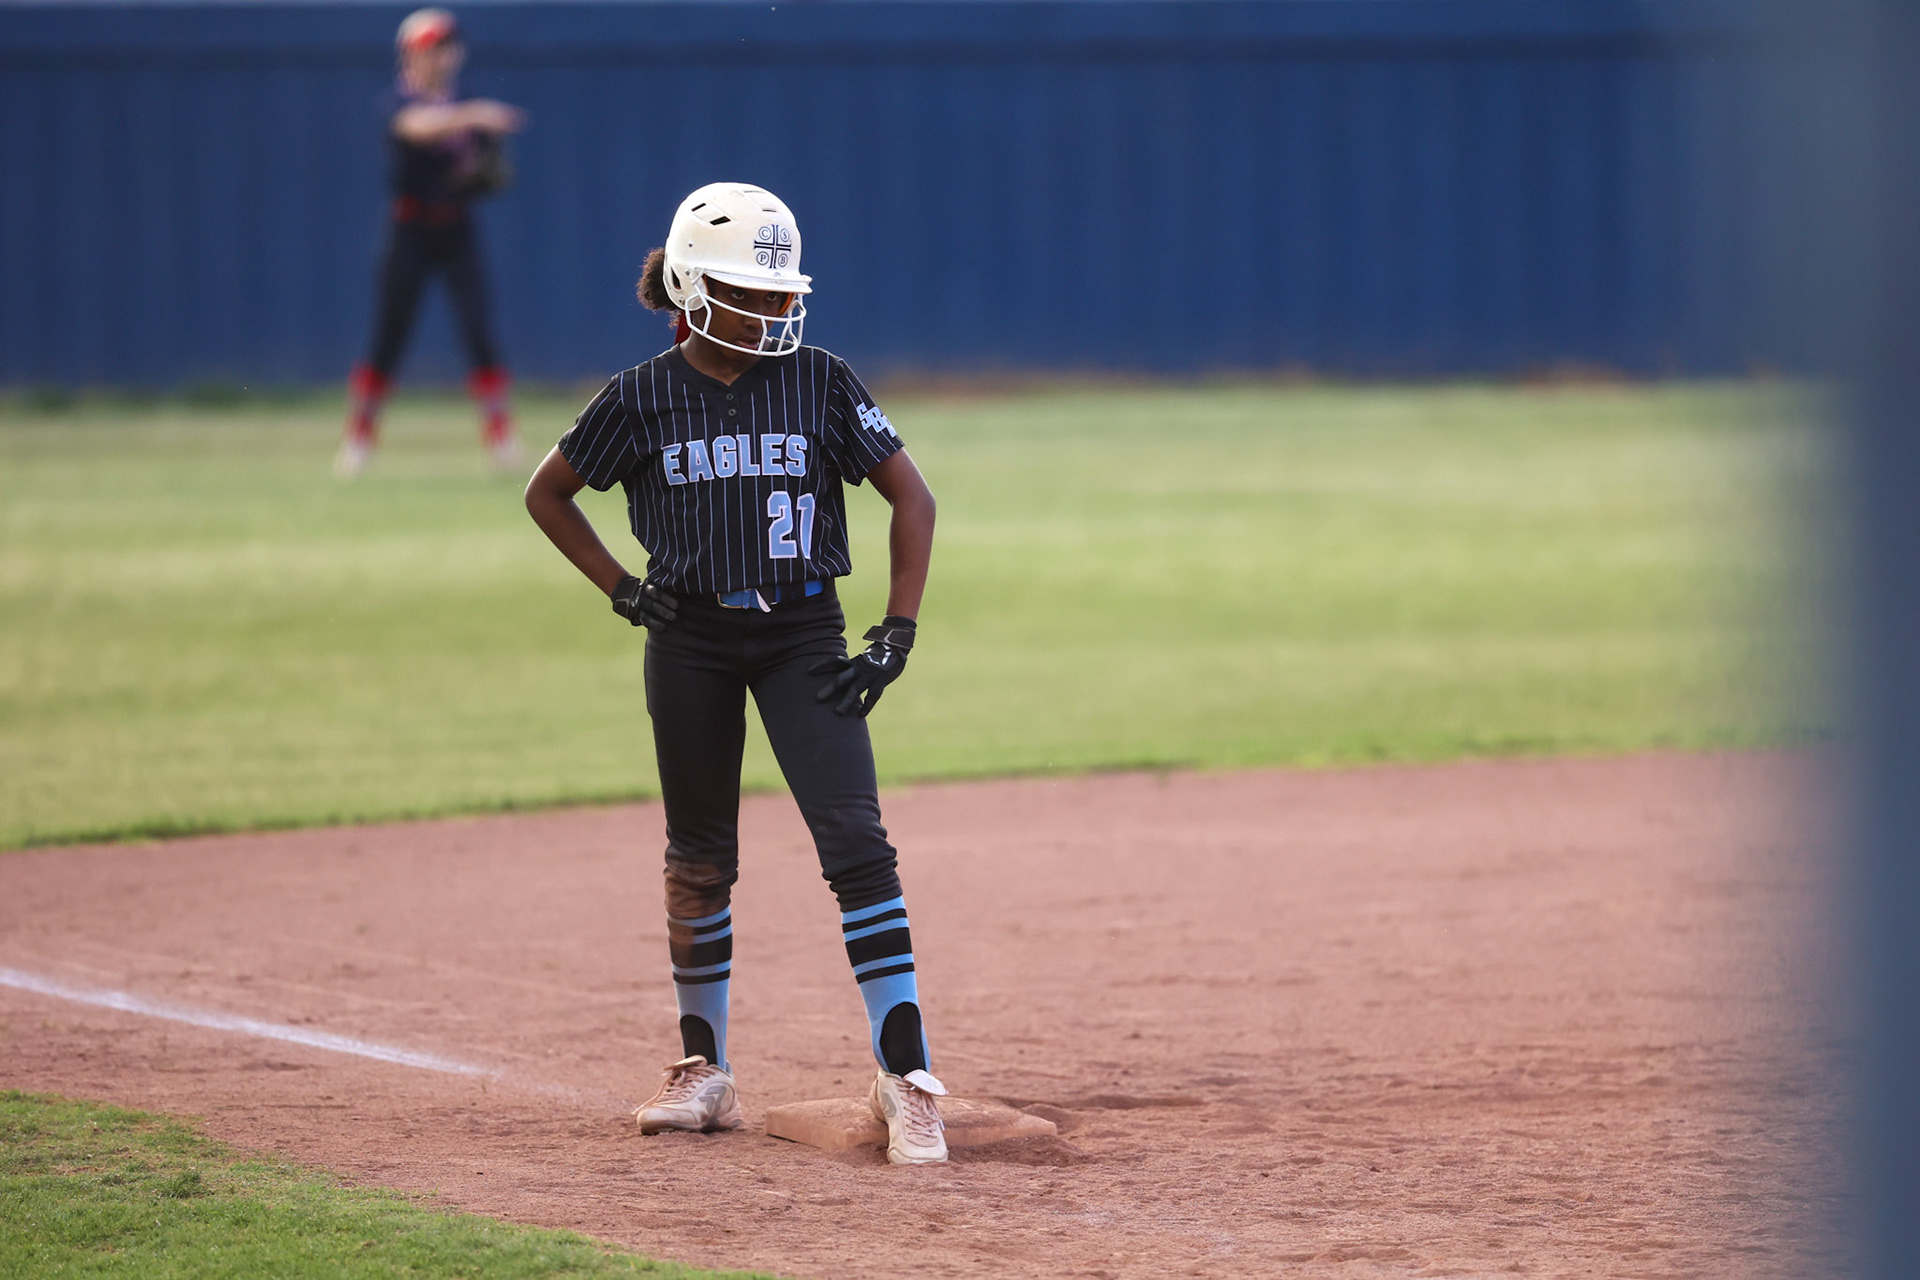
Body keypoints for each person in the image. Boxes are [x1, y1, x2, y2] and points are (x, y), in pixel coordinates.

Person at [523, 182, 949, 1164]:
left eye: (774, 291)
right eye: (745, 290)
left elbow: (912, 499)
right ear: (688, 284)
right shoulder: (637, 396)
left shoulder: (822, 379)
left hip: (804, 629)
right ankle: (703, 1067)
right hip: (690, 640)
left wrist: (896, 631)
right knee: (700, 851)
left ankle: (907, 1077)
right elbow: (548, 493)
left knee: (855, 838)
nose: (768, 309)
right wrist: (622, 589)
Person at [336, 8, 526, 477]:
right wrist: (474, 117)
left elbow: (480, 169)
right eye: (431, 47)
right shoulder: (401, 102)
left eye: (447, 46)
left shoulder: (464, 100)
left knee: (479, 331)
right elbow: (415, 126)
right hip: (409, 229)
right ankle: (359, 439)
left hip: (457, 228)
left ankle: (501, 439)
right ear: (409, 55)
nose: (441, 56)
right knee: (388, 335)